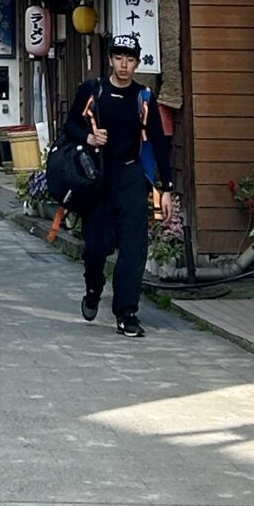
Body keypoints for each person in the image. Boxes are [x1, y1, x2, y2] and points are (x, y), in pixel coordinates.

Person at [58, 35, 175, 336]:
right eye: (119, 57)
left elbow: (159, 143)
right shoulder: (93, 90)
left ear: (138, 63)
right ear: (110, 59)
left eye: (131, 59)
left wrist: (167, 189)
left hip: (131, 174)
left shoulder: (144, 97)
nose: (124, 65)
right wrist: (89, 138)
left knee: (134, 247)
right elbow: (70, 126)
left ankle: (127, 312)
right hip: (96, 176)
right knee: (96, 247)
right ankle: (93, 287)